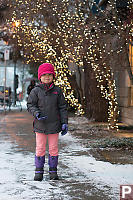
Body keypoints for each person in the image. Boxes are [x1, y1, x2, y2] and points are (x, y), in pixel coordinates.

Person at [27, 63, 68, 181]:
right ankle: (39, 171)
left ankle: (53, 171)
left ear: (53, 76)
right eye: (44, 75)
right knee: (40, 148)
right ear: (40, 77)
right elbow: (30, 105)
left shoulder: (57, 91)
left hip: (54, 125)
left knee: (53, 148)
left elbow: (62, 107)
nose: (47, 77)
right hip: (40, 125)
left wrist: (64, 122)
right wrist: (37, 114)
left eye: (49, 75)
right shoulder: (36, 91)